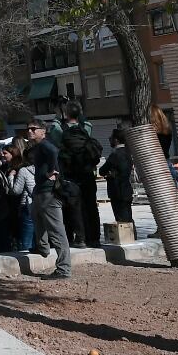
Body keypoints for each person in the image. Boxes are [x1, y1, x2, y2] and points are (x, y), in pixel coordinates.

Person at [54, 101, 103, 249]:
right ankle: (94, 238)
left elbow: (54, 133)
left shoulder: (60, 130)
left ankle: (78, 238)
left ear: (66, 114)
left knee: (72, 207)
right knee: (91, 206)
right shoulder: (86, 128)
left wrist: (59, 116)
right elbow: (86, 122)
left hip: (70, 175)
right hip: (87, 173)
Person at [26, 119, 71, 279]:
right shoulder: (38, 147)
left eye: (33, 129)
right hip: (40, 191)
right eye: (28, 129)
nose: (30, 131)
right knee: (38, 221)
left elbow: (54, 152)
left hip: (49, 193)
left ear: (42, 131)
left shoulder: (45, 145)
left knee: (57, 232)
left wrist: (54, 171)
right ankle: (43, 249)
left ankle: (64, 269)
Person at [2, 140, 36, 252]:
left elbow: (16, 190)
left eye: (5, 153)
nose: (2, 155)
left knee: (26, 240)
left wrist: (11, 178)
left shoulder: (21, 170)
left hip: (24, 204)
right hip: (37, 204)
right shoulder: (40, 169)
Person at [100, 128, 135, 227]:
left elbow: (102, 171)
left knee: (121, 220)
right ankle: (132, 236)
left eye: (111, 137)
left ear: (116, 140)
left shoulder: (114, 155)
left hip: (117, 189)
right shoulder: (128, 153)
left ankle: (126, 238)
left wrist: (111, 173)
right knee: (128, 217)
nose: (109, 139)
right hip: (127, 189)